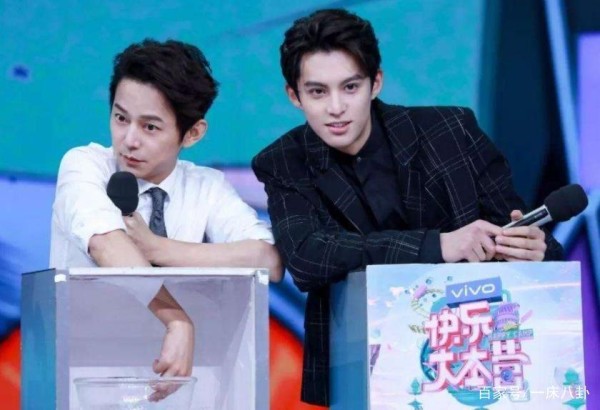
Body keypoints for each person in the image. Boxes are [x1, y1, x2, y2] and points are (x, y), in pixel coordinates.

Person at [252, 9, 563, 406]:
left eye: (350, 87)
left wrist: (535, 248)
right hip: (357, 368)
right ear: (294, 96)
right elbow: (308, 256)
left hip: (471, 357)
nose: (336, 107)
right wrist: (438, 245)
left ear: (375, 83)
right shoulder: (283, 161)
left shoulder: (451, 131)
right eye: (317, 92)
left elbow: (527, 236)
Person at [50, 39, 283, 384]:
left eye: (150, 127)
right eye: (120, 118)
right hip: (84, 377)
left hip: (184, 384)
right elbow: (105, 242)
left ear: (193, 133)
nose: (129, 140)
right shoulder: (85, 165)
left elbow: (268, 261)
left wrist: (159, 248)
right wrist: (176, 318)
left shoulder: (207, 186)